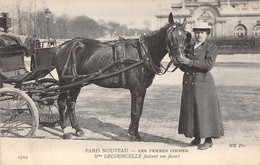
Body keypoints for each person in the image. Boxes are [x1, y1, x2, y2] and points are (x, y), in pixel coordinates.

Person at [177, 22, 224, 150]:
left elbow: (208, 64)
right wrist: (179, 62)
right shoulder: (189, 47)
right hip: (189, 83)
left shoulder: (210, 47)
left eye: (202, 32)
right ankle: (197, 137)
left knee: (205, 111)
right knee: (192, 110)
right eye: (197, 32)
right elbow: (184, 67)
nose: (199, 35)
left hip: (204, 84)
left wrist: (189, 62)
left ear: (207, 34)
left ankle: (208, 140)